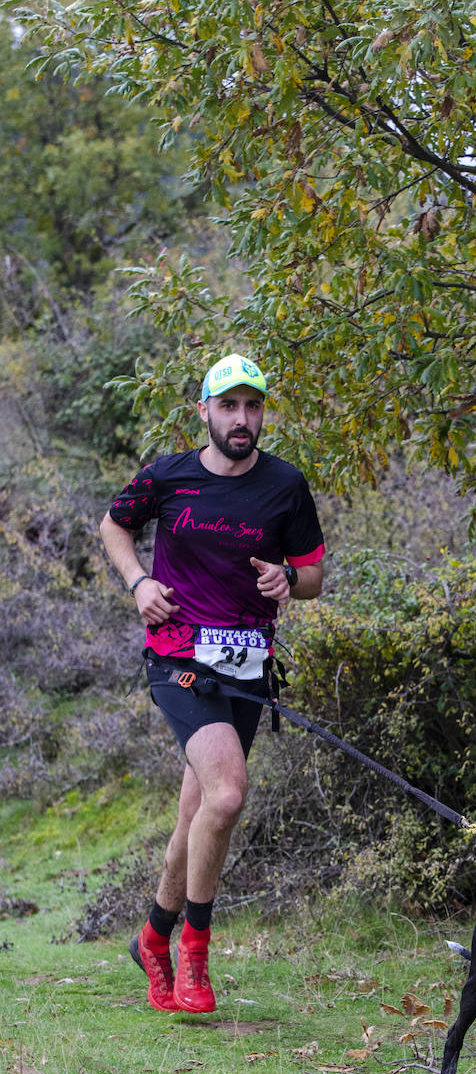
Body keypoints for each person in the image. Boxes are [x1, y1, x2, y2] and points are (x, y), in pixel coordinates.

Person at [100, 353, 325, 1014]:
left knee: (195, 815)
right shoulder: (168, 477)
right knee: (226, 795)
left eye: (252, 406)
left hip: (248, 668)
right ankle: (195, 951)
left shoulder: (286, 486)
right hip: (177, 656)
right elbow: (113, 526)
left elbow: (311, 576)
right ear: (204, 411)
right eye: (228, 406)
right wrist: (139, 582)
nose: (242, 419)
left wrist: (289, 581)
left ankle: (151, 937)